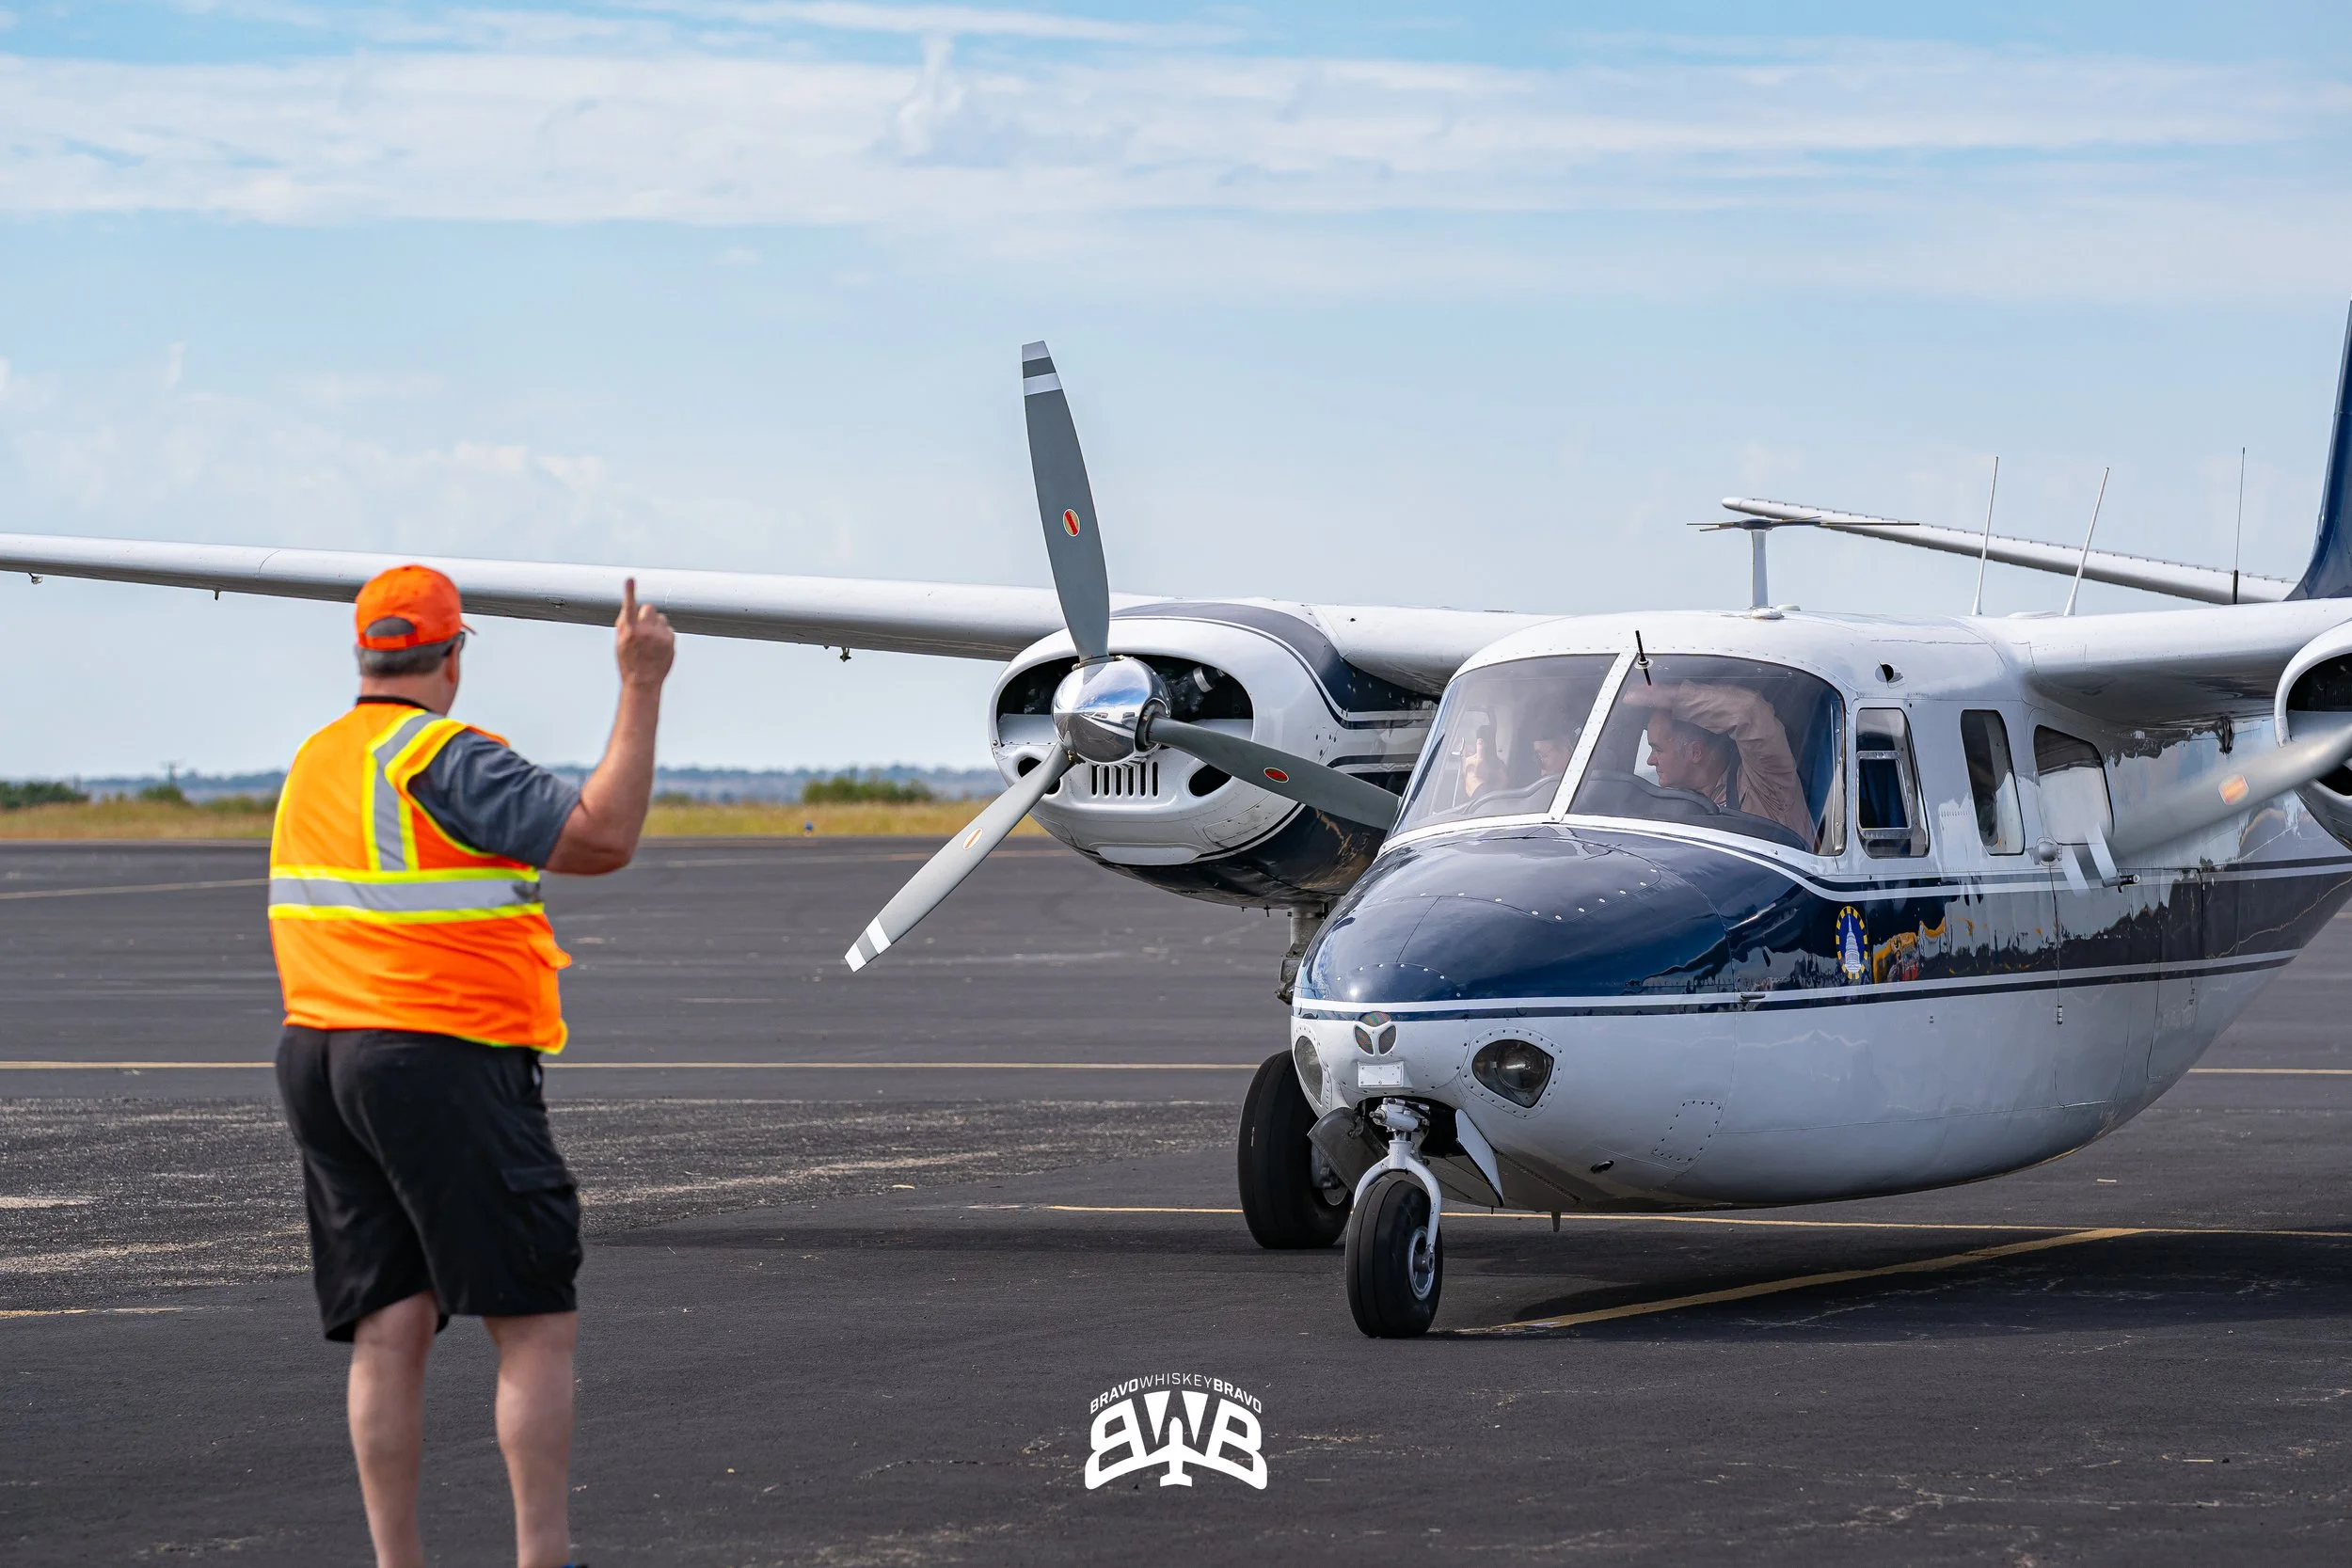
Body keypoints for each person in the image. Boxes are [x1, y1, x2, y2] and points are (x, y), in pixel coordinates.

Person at [269, 564, 675, 1568]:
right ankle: (545, 1557)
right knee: (532, 1318)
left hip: (320, 1055)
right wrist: (641, 684)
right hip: (438, 1056)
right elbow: (603, 835)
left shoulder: (316, 758)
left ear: (366, 652)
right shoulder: (443, 755)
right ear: (453, 655)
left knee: (389, 1321)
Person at [1624, 679, 1813, 844]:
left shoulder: (1766, 787)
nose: (1650, 760)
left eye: (1657, 749)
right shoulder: (1674, 804)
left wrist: (1664, 696)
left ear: (1695, 752)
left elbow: (1749, 712)